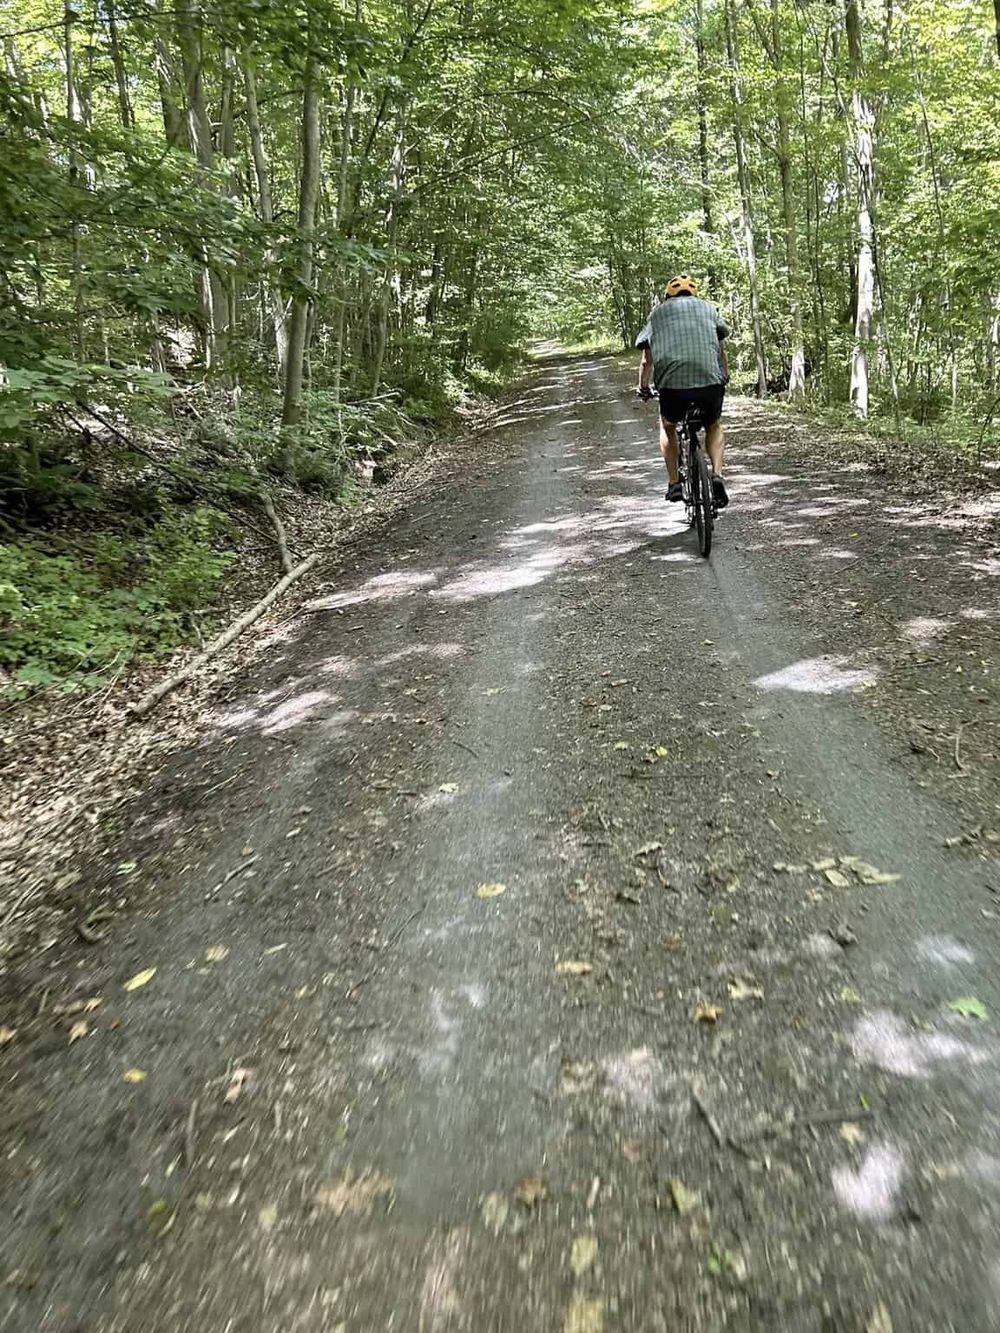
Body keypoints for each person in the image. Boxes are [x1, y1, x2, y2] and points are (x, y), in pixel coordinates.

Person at [635, 274, 730, 508]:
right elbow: (720, 349)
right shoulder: (709, 309)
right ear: (694, 294)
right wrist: (723, 375)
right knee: (713, 424)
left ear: (668, 295)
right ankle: (717, 475)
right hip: (710, 383)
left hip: (673, 388)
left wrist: (643, 386)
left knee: (668, 425)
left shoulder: (657, 314)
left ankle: (675, 483)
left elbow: (647, 360)